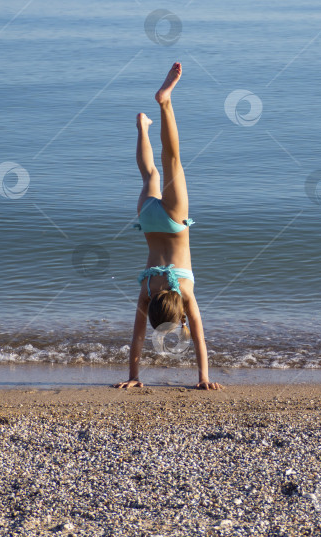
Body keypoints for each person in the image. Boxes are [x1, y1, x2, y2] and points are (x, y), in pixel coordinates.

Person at [113, 62, 222, 390]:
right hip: (148, 219)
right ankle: (143, 128)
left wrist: (204, 378)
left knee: (171, 162)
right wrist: (132, 376)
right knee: (151, 175)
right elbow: (137, 338)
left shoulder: (185, 293)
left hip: (174, 222)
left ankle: (165, 102)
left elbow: (200, 340)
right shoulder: (146, 292)